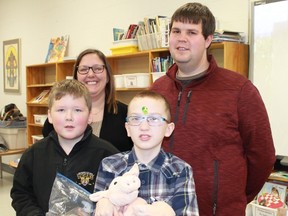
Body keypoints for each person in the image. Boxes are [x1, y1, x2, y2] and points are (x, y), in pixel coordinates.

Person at [150, 2, 276, 216]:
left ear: (208, 40)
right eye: (176, 31)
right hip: (164, 210)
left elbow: (262, 156)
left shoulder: (239, 90)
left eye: (192, 32)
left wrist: (233, 199)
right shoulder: (156, 90)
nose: (182, 38)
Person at [11, 79, 120, 215]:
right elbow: (21, 194)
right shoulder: (33, 154)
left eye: (77, 110)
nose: (69, 117)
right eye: (61, 110)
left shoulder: (108, 155)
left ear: (90, 115)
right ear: (50, 115)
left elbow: (118, 198)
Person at [93, 91, 199, 216]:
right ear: (127, 128)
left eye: (153, 119)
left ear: (168, 129)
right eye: (136, 118)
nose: (144, 127)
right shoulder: (109, 165)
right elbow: (97, 206)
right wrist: (102, 203)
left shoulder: (180, 170)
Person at [42, 49, 133, 152]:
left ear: (108, 76)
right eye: (83, 69)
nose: (90, 74)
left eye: (98, 68)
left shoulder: (127, 114)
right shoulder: (57, 118)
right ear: (76, 77)